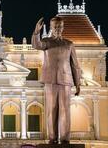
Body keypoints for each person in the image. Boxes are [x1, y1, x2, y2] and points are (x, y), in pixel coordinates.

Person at [31, 16, 81, 144]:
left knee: (65, 110)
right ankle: (52, 138)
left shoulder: (69, 44)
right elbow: (36, 45)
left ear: (63, 28)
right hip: (50, 80)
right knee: (51, 110)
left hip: (65, 80)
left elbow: (75, 65)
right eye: (55, 27)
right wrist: (37, 32)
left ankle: (65, 139)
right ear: (51, 28)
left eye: (60, 26)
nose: (58, 29)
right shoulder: (47, 42)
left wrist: (78, 84)